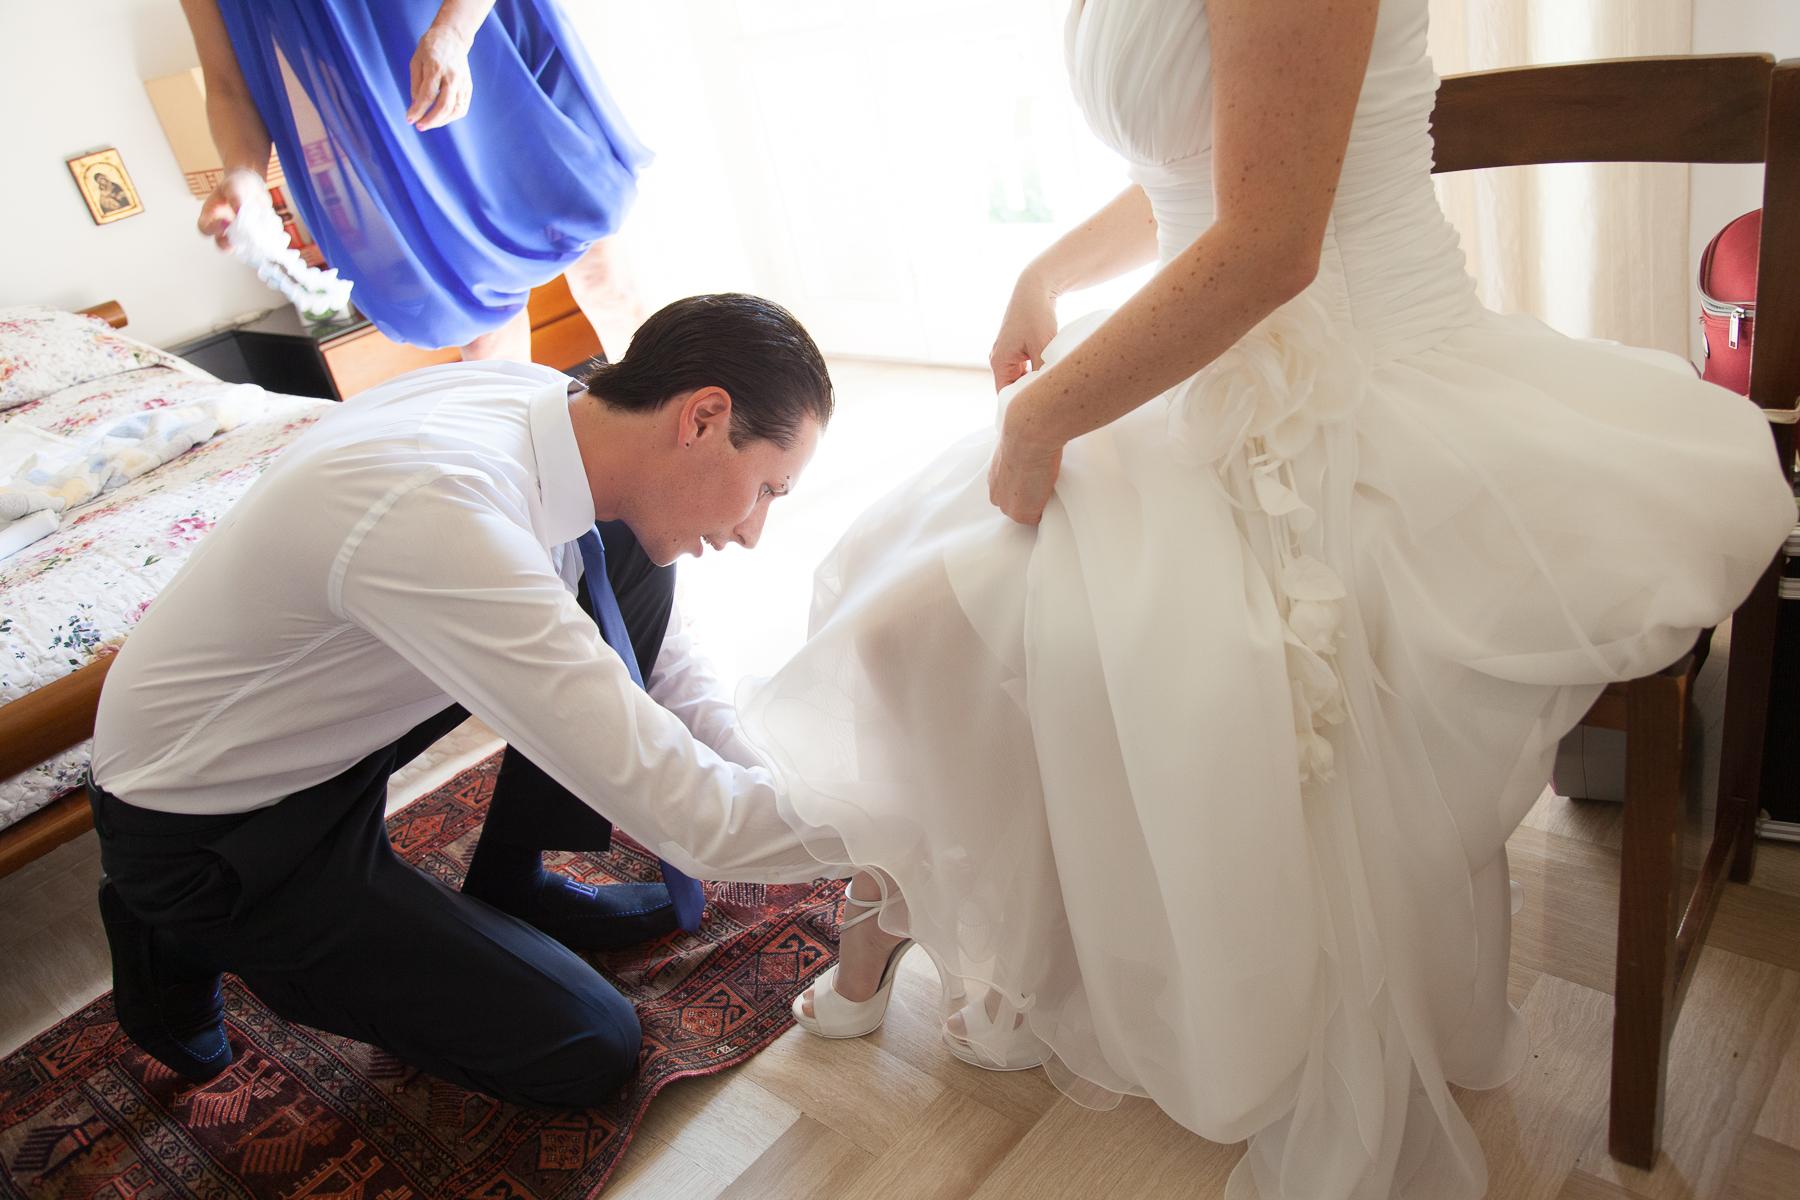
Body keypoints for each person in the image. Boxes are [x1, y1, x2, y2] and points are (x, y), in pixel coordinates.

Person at [738, 1, 1797, 1197]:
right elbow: (1208, 155)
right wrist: (1046, 271)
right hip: (1198, 363)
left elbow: (1273, 239)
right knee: (908, 604)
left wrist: (1042, 419)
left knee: (1093, 635)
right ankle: (1008, 952)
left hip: (1373, 390)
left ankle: (1099, 968)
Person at [88, 294, 834, 1109]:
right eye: (767, 488)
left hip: (312, 724)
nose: (754, 530)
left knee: (627, 556)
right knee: (588, 1047)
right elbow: (691, 816)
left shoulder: (556, 411)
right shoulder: (442, 507)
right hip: (211, 825)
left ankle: (514, 880)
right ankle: (171, 934)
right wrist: (878, 825)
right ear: (703, 418)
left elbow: (656, 662)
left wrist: (783, 778)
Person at [180, 0, 649, 360]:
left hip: (488, 47)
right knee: (479, 327)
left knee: (602, 270)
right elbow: (228, 86)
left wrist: (453, 32)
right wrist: (243, 173)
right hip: (393, 125)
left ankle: (674, 428)